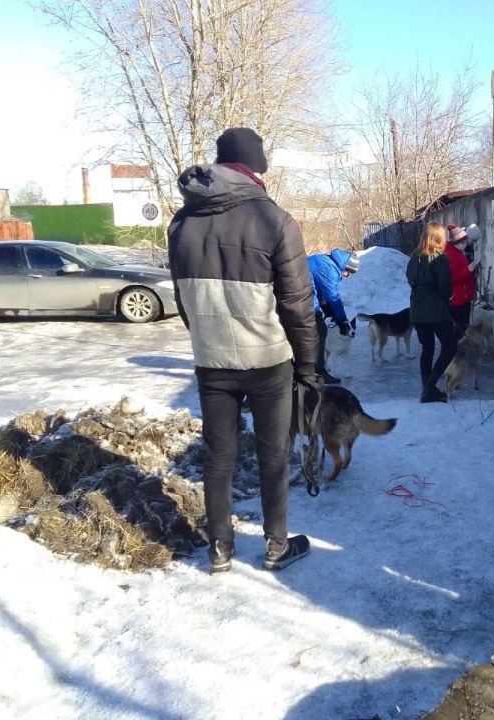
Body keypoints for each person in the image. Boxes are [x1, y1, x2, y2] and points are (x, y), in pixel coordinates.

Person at [168, 127, 320, 574]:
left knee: (219, 457)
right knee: (273, 455)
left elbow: (182, 297)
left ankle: (220, 549)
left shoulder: (181, 221)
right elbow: (297, 303)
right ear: (257, 169)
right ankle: (275, 547)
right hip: (268, 360)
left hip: (211, 360)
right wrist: (308, 365)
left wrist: (204, 336)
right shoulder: (274, 219)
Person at [406, 221, 457, 403]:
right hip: (436, 311)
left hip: (417, 311)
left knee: (427, 348)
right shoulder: (438, 258)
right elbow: (445, 287)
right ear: (438, 237)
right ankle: (430, 386)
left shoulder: (414, 257)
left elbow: (411, 281)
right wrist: (447, 298)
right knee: (450, 346)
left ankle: (427, 389)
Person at [308, 249, 359, 384]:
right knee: (320, 331)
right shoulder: (329, 268)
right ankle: (319, 372)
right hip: (304, 301)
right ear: (345, 266)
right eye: (349, 272)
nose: (348, 275)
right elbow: (333, 297)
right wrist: (342, 319)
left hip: (303, 297)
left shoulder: (325, 260)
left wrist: (328, 310)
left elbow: (321, 291)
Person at [445, 225, 481, 336]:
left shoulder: (459, 253)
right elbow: (450, 278)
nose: (466, 244)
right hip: (457, 299)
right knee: (459, 329)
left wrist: (474, 273)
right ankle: (458, 350)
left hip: (463, 297)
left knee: (462, 327)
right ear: (459, 241)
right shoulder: (450, 255)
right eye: (464, 242)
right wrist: (468, 270)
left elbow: (464, 274)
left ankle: (460, 349)